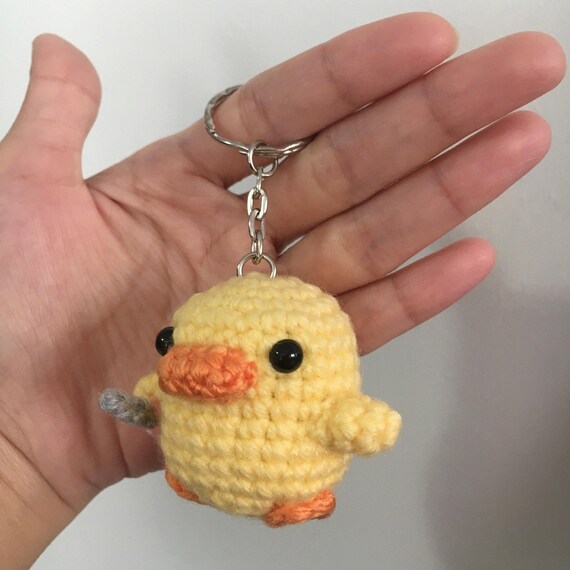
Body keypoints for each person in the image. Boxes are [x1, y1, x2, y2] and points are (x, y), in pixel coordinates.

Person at [0, 12, 565, 569]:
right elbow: (157, 398)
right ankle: (201, 482)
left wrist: (360, 422)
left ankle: (290, 496)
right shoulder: (186, 364)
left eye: (286, 357)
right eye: (168, 341)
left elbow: (345, 417)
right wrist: (120, 413)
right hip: (187, 469)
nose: (201, 365)